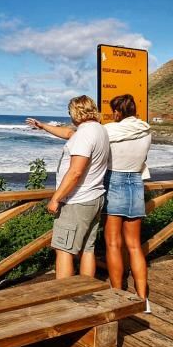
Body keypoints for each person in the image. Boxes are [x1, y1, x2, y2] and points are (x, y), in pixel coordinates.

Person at [26, 96, 109, 279]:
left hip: (77, 201)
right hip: (94, 197)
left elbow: (75, 172)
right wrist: (43, 126)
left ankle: (64, 298)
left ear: (75, 111)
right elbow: (68, 133)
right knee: (87, 249)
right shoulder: (98, 130)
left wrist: (56, 198)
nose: (70, 116)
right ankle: (85, 290)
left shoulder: (85, 134)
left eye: (69, 112)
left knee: (63, 250)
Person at [103, 94, 152, 313]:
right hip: (136, 183)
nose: (113, 114)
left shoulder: (111, 130)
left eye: (114, 110)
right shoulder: (146, 129)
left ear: (119, 111)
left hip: (115, 180)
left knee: (113, 243)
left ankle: (117, 293)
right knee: (134, 244)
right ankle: (143, 299)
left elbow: (82, 137)